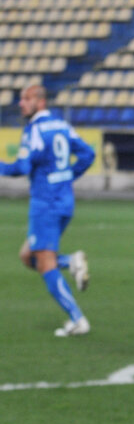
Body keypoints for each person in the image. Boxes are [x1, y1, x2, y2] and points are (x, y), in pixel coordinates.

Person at [1, 84, 95, 337]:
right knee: (27, 256)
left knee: (44, 262)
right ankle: (71, 262)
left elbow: (21, 167)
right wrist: (67, 177)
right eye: (21, 99)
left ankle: (78, 320)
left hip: (45, 204)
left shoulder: (34, 130)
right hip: (65, 202)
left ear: (41, 102)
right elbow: (88, 153)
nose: (21, 103)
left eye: (27, 99)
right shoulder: (62, 126)